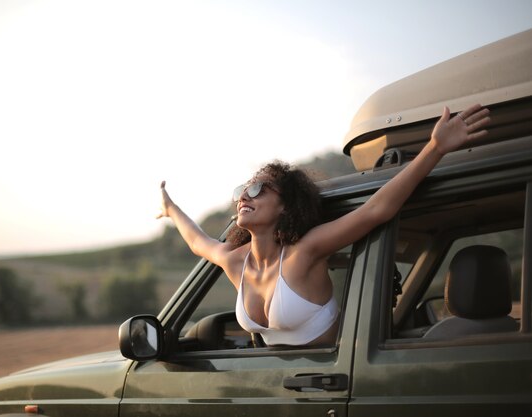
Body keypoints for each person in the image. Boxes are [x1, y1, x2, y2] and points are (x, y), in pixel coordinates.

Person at [157, 104, 491, 347]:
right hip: (289, 395)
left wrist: (435, 148)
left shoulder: (305, 252)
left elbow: (376, 211)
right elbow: (197, 241)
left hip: (339, 385)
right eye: (242, 191)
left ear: (286, 205)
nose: (245, 195)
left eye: (259, 188)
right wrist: (171, 209)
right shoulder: (235, 261)